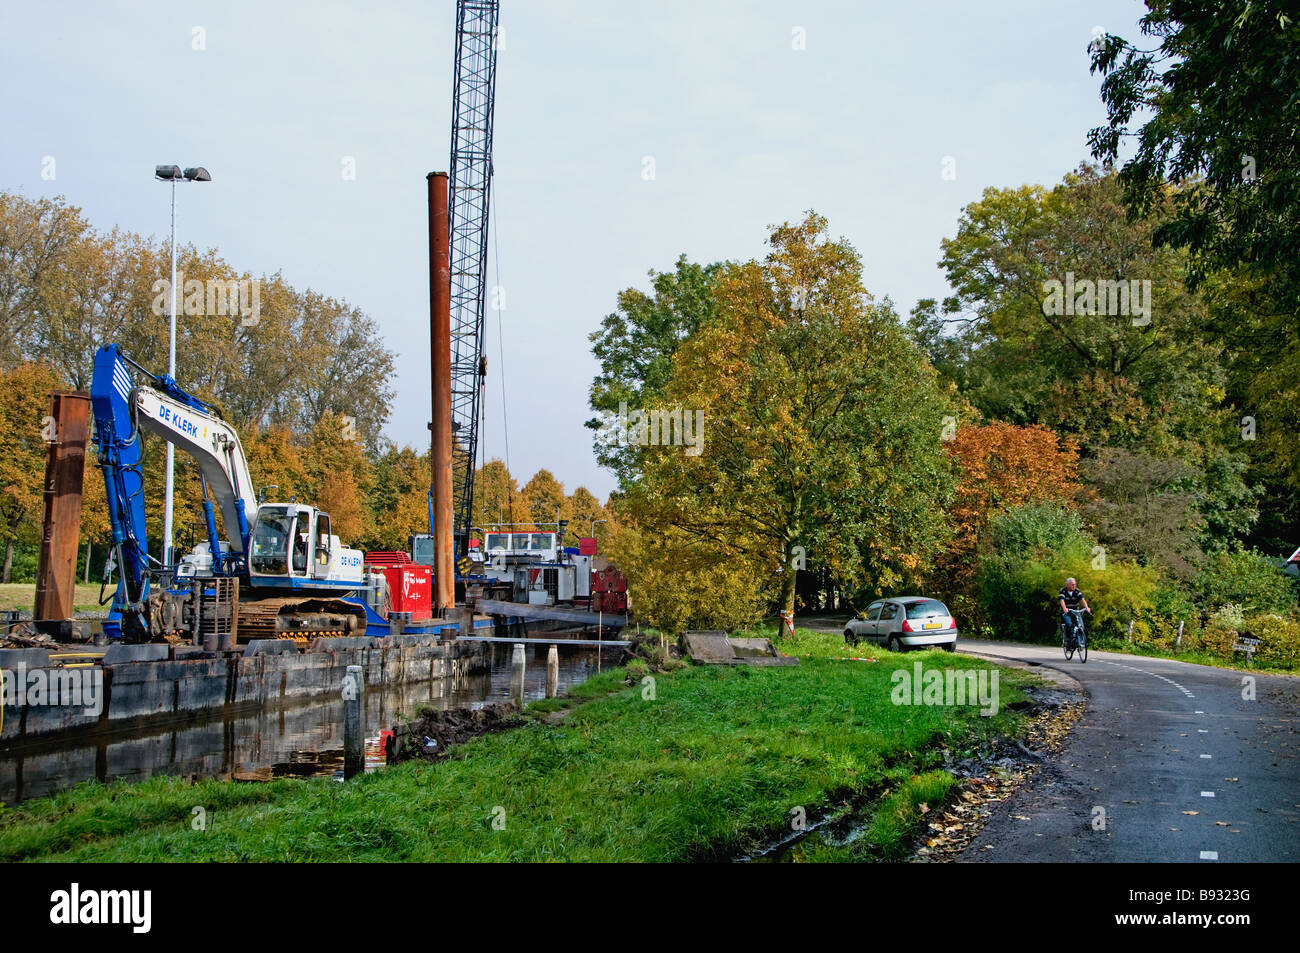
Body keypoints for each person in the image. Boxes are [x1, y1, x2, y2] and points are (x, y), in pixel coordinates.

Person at [1059, 577, 1091, 647]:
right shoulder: (1063, 591)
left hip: (1075, 611)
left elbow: (1082, 599)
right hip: (1067, 612)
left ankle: (1080, 641)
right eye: (1072, 584)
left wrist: (1087, 607)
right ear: (1068, 585)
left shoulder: (1077, 591)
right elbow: (1062, 600)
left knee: (1080, 625)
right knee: (1069, 624)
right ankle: (1068, 641)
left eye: (1075, 584)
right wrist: (1064, 608)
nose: (1074, 586)